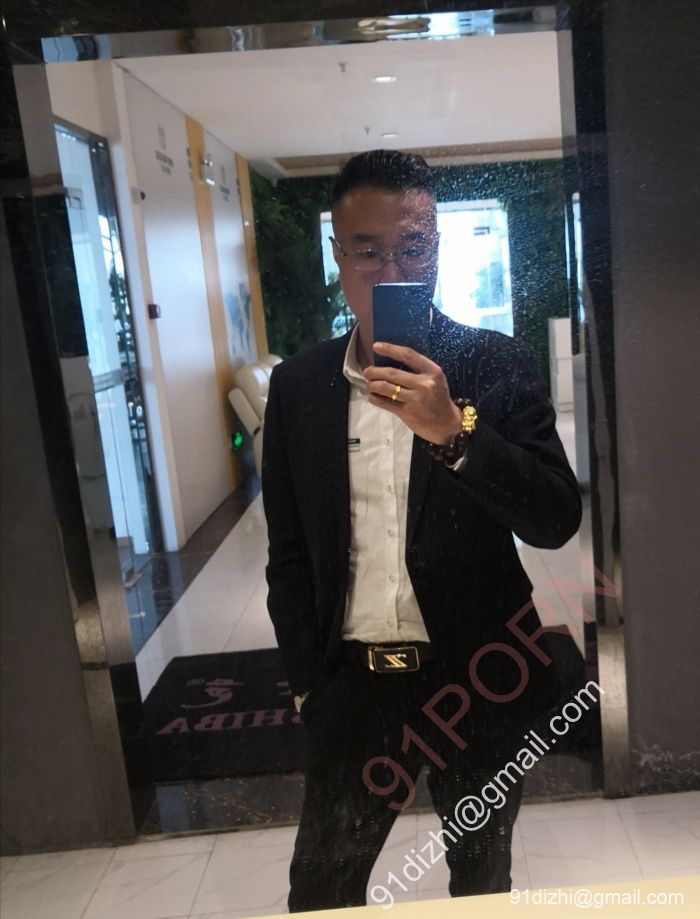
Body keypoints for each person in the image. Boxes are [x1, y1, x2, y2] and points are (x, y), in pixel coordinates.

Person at [261, 149, 582, 912]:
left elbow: (555, 519)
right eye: (368, 250)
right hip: (352, 685)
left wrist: (455, 433)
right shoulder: (300, 386)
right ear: (338, 256)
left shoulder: (493, 365)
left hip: (475, 681)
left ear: (437, 248)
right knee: (322, 889)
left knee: (481, 882)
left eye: (414, 247)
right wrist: (308, 683)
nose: (394, 270)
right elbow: (289, 552)